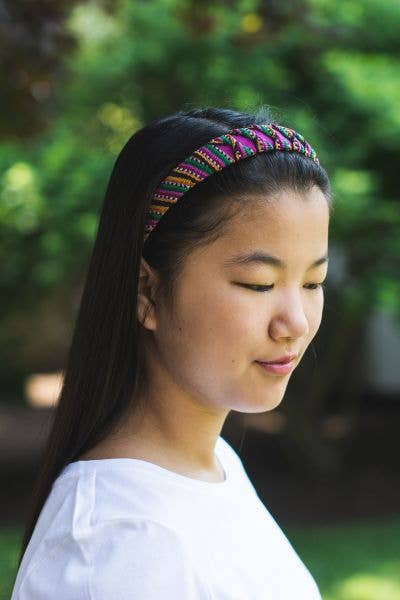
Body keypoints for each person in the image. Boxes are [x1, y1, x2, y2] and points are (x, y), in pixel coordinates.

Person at [11, 107, 332, 599]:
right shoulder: (118, 544)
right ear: (148, 291)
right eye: (259, 284)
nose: (296, 322)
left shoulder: (214, 464)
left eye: (313, 282)